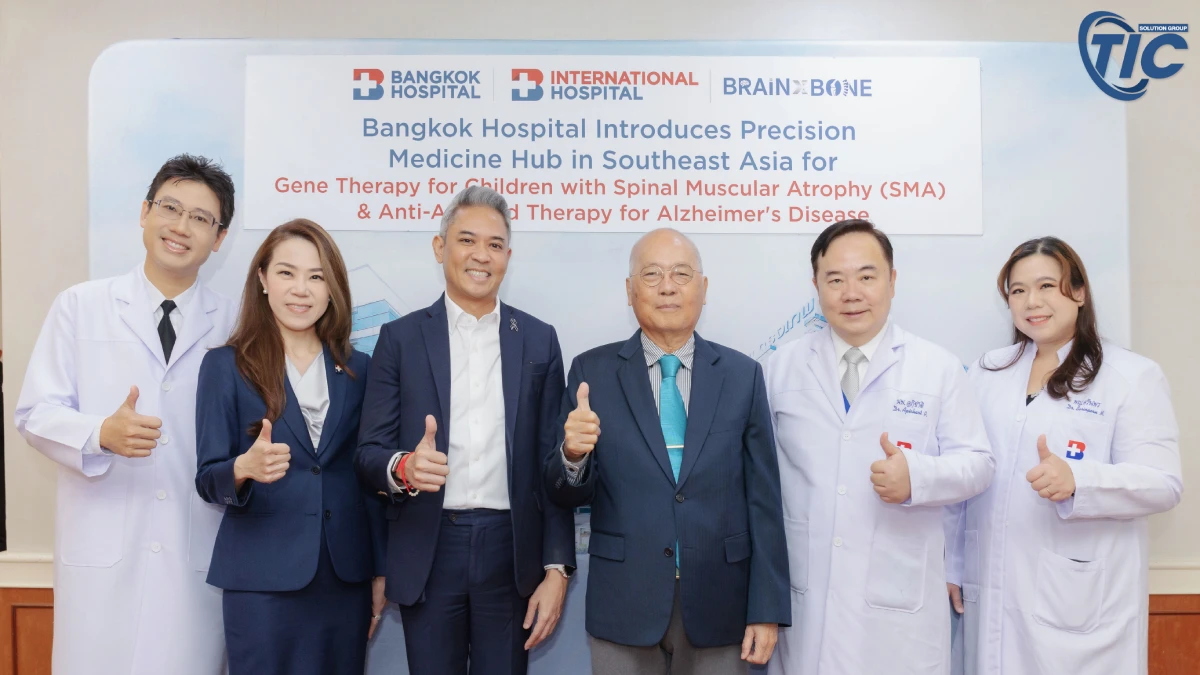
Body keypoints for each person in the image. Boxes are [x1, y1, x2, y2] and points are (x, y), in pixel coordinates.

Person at [15, 154, 237, 674]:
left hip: (194, 555)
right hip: (101, 555)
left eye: (200, 218)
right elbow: (34, 413)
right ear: (144, 212)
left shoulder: (236, 322)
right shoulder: (80, 305)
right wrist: (99, 433)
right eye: (170, 208)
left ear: (219, 238)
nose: (180, 227)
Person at [544, 227, 790, 675]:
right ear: (629, 290)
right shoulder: (591, 373)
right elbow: (563, 495)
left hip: (722, 602)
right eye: (652, 274)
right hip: (624, 602)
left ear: (703, 287)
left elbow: (764, 502)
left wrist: (767, 608)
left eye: (681, 273)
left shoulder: (742, 375)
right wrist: (573, 456)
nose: (667, 286)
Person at [355, 185, 575, 675]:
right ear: (440, 248)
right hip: (430, 548)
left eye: (495, 244)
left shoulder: (539, 340)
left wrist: (557, 567)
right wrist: (404, 467)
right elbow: (368, 452)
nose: (481, 255)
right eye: (467, 240)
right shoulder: (400, 339)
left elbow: (552, 466)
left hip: (511, 552)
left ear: (508, 257)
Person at [765, 219, 995, 675]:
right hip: (806, 602)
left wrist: (918, 477)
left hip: (899, 610)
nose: (851, 293)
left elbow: (979, 464)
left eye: (866, 277)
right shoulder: (780, 368)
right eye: (835, 279)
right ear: (816, 286)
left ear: (892, 280)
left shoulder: (937, 368)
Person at [945, 237, 1182, 675]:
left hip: (1080, 604)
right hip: (989, 591)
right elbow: (966, 474)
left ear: (1079, 291)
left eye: (1046, 286)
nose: (1031, 302)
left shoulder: (1130, 376)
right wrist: (954, 564)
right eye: (1018, 290)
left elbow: (1163, 484)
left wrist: (1080, 480)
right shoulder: (987, 371)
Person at [194, 219, 386, 675]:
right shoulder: (226, 366)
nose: (301, 289)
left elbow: (368, 479)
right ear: (262, 279)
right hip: (260, 580)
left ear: (332, 288)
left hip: (344, 578)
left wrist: (379, 570)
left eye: (316, 276)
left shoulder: (360, 369)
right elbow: (207, 479)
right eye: (286, 273)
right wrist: (243, 467)